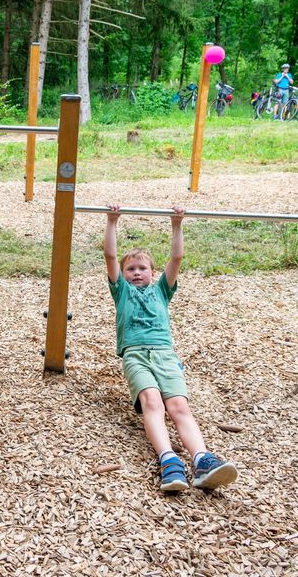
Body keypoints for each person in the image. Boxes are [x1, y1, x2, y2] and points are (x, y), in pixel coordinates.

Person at [102, 205, 238, 492]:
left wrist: (177, 224)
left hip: (165, 354)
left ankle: (202, 459)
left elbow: (177, 256)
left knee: (178, 406)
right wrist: (112, 221)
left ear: (153, 272)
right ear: (123, 275)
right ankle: (169, 461)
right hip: (136, 354)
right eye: (130, 269)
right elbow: (110, 255)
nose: (136, 273)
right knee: (152, 401)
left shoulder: (162, 290)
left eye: (142, 269)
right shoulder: (122, 291)